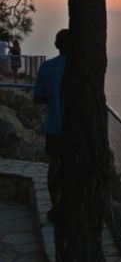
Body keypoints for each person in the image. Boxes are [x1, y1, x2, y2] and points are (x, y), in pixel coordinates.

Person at [33, 29, 69, 222]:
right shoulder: (81, 67)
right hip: (76, 130)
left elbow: (37, 98)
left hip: (55, 127)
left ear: (57, 45)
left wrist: (51, 96)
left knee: (54, 166)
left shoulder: (46, 68)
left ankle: (56, 207)